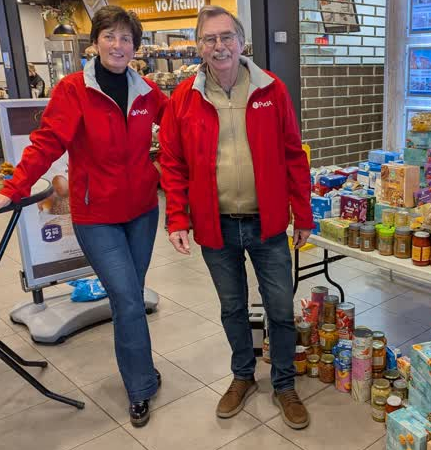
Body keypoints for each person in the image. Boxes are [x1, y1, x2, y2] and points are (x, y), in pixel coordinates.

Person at [0, 5, 168, 428]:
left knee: (131, 295)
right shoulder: (75, 90)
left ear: (135, 47)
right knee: (128, 301)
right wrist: (11, 189)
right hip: (97, 217)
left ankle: (140, 369)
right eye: (110, 36)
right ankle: (140, 387)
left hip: (144, 213)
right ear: (95, 42)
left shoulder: (149, 92)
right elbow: (45, 143)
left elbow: (183, 126)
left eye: (126, 38)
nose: (118, 45)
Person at [158, 5, 313, 430]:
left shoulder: (271, 89)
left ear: (241, 41)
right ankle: (243, 376)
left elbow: (293, 156)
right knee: (232, 308)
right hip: (215, 224)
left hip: (267, 223)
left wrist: (303, 214)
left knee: (280, 309)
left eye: (226, 37)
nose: (219, 46)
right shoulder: (184, 99)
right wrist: (177, 218)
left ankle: (284, 384)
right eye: (210, 39)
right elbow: (171, 162)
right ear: (199, 46)